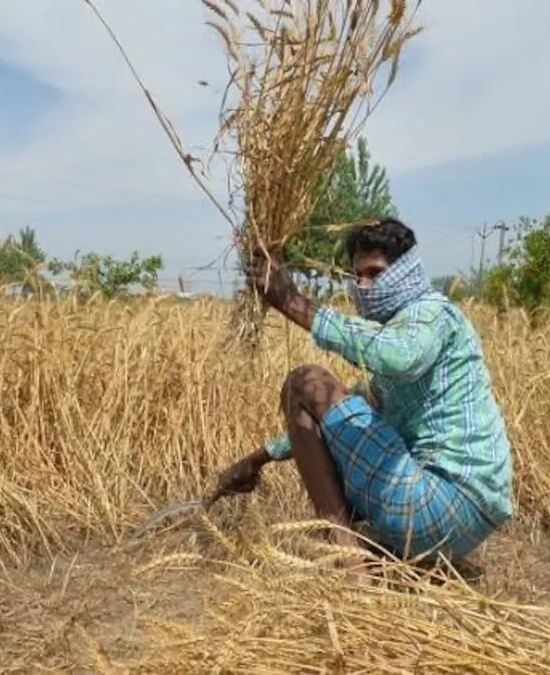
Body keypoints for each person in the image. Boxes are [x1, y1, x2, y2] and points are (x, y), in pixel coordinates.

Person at [214, 218, 512, 581]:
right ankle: (367, 553)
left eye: (375, 273)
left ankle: (349, 563)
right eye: (357, 277)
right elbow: (344, 415)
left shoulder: (431, 314)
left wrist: (293, 303)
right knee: (328, 432)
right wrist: (257, 459)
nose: (364, 287)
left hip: (442, 501)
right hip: (463, 528)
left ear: (406, 271)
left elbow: (399, 356)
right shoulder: (401, 338)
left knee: (304, 381)